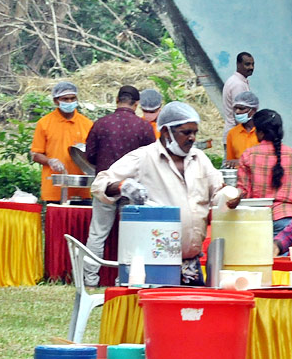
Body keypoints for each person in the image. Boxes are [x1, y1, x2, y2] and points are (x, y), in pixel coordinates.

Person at [93, 101, 235, 284]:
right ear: (167, 132)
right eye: (186, 132)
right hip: (155, 263)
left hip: (190, 264)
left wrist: (230, 196)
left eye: (194, 132)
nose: (192, 138)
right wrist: (123, 186)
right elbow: (100, 183)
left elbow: (218, 190)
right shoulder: (144, 157)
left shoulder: (199, 158)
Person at [82, 85, 155, 285]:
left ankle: (90, 279)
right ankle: (124, 279)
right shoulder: (144, 127)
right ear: (137, 104)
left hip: (106, 186)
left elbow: (89, 155)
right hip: (133, 189)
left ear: (117, 100)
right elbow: (151, 159)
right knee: (130, 236)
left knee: (97, 234)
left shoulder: (101, 124)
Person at [237, 109, 292, 235]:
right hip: (286, 218)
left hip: (256, 219)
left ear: (260, 133)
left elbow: (243, 191)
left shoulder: (248, 155)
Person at [30, 80, 94, 203]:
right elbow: (36, 154)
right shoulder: (45, 123)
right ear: (56, 101)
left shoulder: (87, 124)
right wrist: (50, 161)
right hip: (54, 189)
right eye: (65, 99)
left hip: (81, 189)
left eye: (72, 98)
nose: (69, 102)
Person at [220, 52, 253, 141]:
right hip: (237, 136)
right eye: (247, 64)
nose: (251, 67)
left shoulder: (236, 81)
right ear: (238, 64)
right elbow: (239, 114)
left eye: (252, 64)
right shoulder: (238, 84)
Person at [224, 91, 260, 166]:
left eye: (241, 108)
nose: (237, 111)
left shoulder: (262, 132)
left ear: (253, 110)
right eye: (235, 108)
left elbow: (268, 159)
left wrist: (241, 162)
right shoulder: (232, 133)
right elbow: (231, 161)